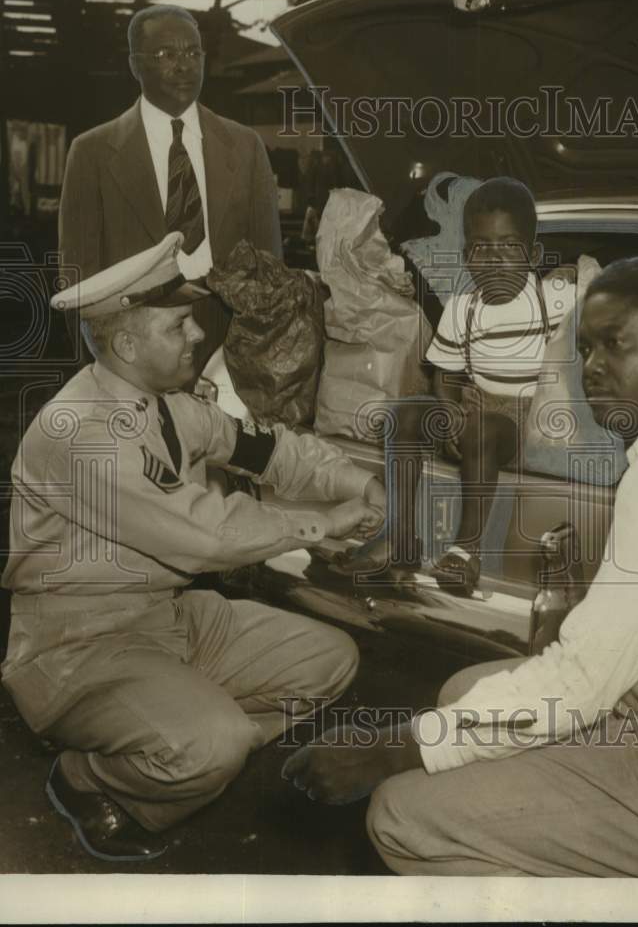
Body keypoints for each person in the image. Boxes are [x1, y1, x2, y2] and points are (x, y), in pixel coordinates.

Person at [283, 257, 638, 879]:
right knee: (460, 697)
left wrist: (397, 747)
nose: (593, 369)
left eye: (617, 345)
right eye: (585, 348)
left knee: (402, 813)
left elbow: (583, 682)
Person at [2, 233, 386, 862]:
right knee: (214, 745)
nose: (198, 336)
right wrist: (323, 523)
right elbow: (207, 532)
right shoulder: (82, 433)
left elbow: (271, 452)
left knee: (329, 660)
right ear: (127, 344)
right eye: (179, 325)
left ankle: (182, 730)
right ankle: (91, 778)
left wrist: (356, 481)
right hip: (79, 647)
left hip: (168, 619)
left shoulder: (169, 409)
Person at [334, 177, 575, 595]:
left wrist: (581, 274)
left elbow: (595, 306)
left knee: (484, 427)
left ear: (533, 254)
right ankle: (401, 536)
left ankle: (465, 552)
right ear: (467, 256)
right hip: (475, 410)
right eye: (481, 247)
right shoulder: (463, 308)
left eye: (508, 246)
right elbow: (444, 373)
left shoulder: (553, 299)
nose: (494, 259)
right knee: (404, 413)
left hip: (525, 420)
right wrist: (448, 407)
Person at [57, 4, 282, 374]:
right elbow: (78, 275)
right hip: (135, 344)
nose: (184, 66)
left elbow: (270, 267)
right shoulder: (92, 152)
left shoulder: (246, 147)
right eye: (165, 54)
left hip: (231, 342)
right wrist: (101, 364)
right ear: (134, 64)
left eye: (194, 53)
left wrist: (262, 353)